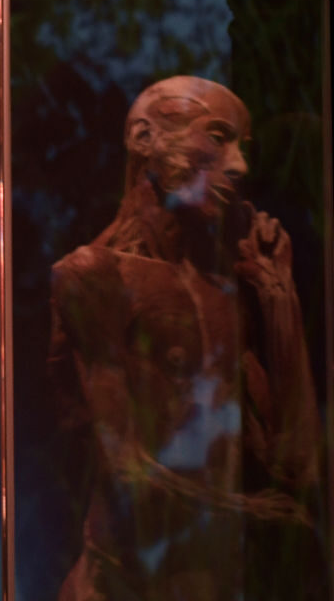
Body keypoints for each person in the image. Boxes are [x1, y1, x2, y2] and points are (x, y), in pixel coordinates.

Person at [49, 76, 322, 601]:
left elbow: (298, 466)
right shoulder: (94, 276)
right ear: (144, 139)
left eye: (242, 148)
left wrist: (278, 295)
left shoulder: (226, 295)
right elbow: (125, 471)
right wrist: (251, 510)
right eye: (218, 138)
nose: (239, 167)